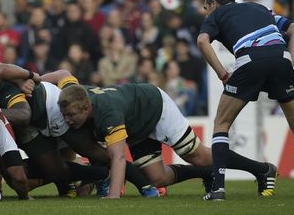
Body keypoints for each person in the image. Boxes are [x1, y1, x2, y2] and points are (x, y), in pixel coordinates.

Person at [196, 0, 294, 200]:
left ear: (214, 3)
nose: (206, 12)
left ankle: (218, 190)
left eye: (206, 7)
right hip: (281, 60)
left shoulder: (218, 13)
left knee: (221, 124)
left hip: (250, 60)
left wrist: (223, 75)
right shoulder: (260, 8)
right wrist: (289, 62)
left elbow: (202, 41)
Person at [58, 82, 276, 200]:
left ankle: (262, 169)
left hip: (155, 107)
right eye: (64, 115)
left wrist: (113, 196)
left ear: (87, 109)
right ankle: (206, 174)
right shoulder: (78, 97)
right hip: (137, 124)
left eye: (71, 116)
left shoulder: (107, 113)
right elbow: (63, 75)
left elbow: (119, 156)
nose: (67, 120)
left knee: (199, 156)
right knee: (158, 179)